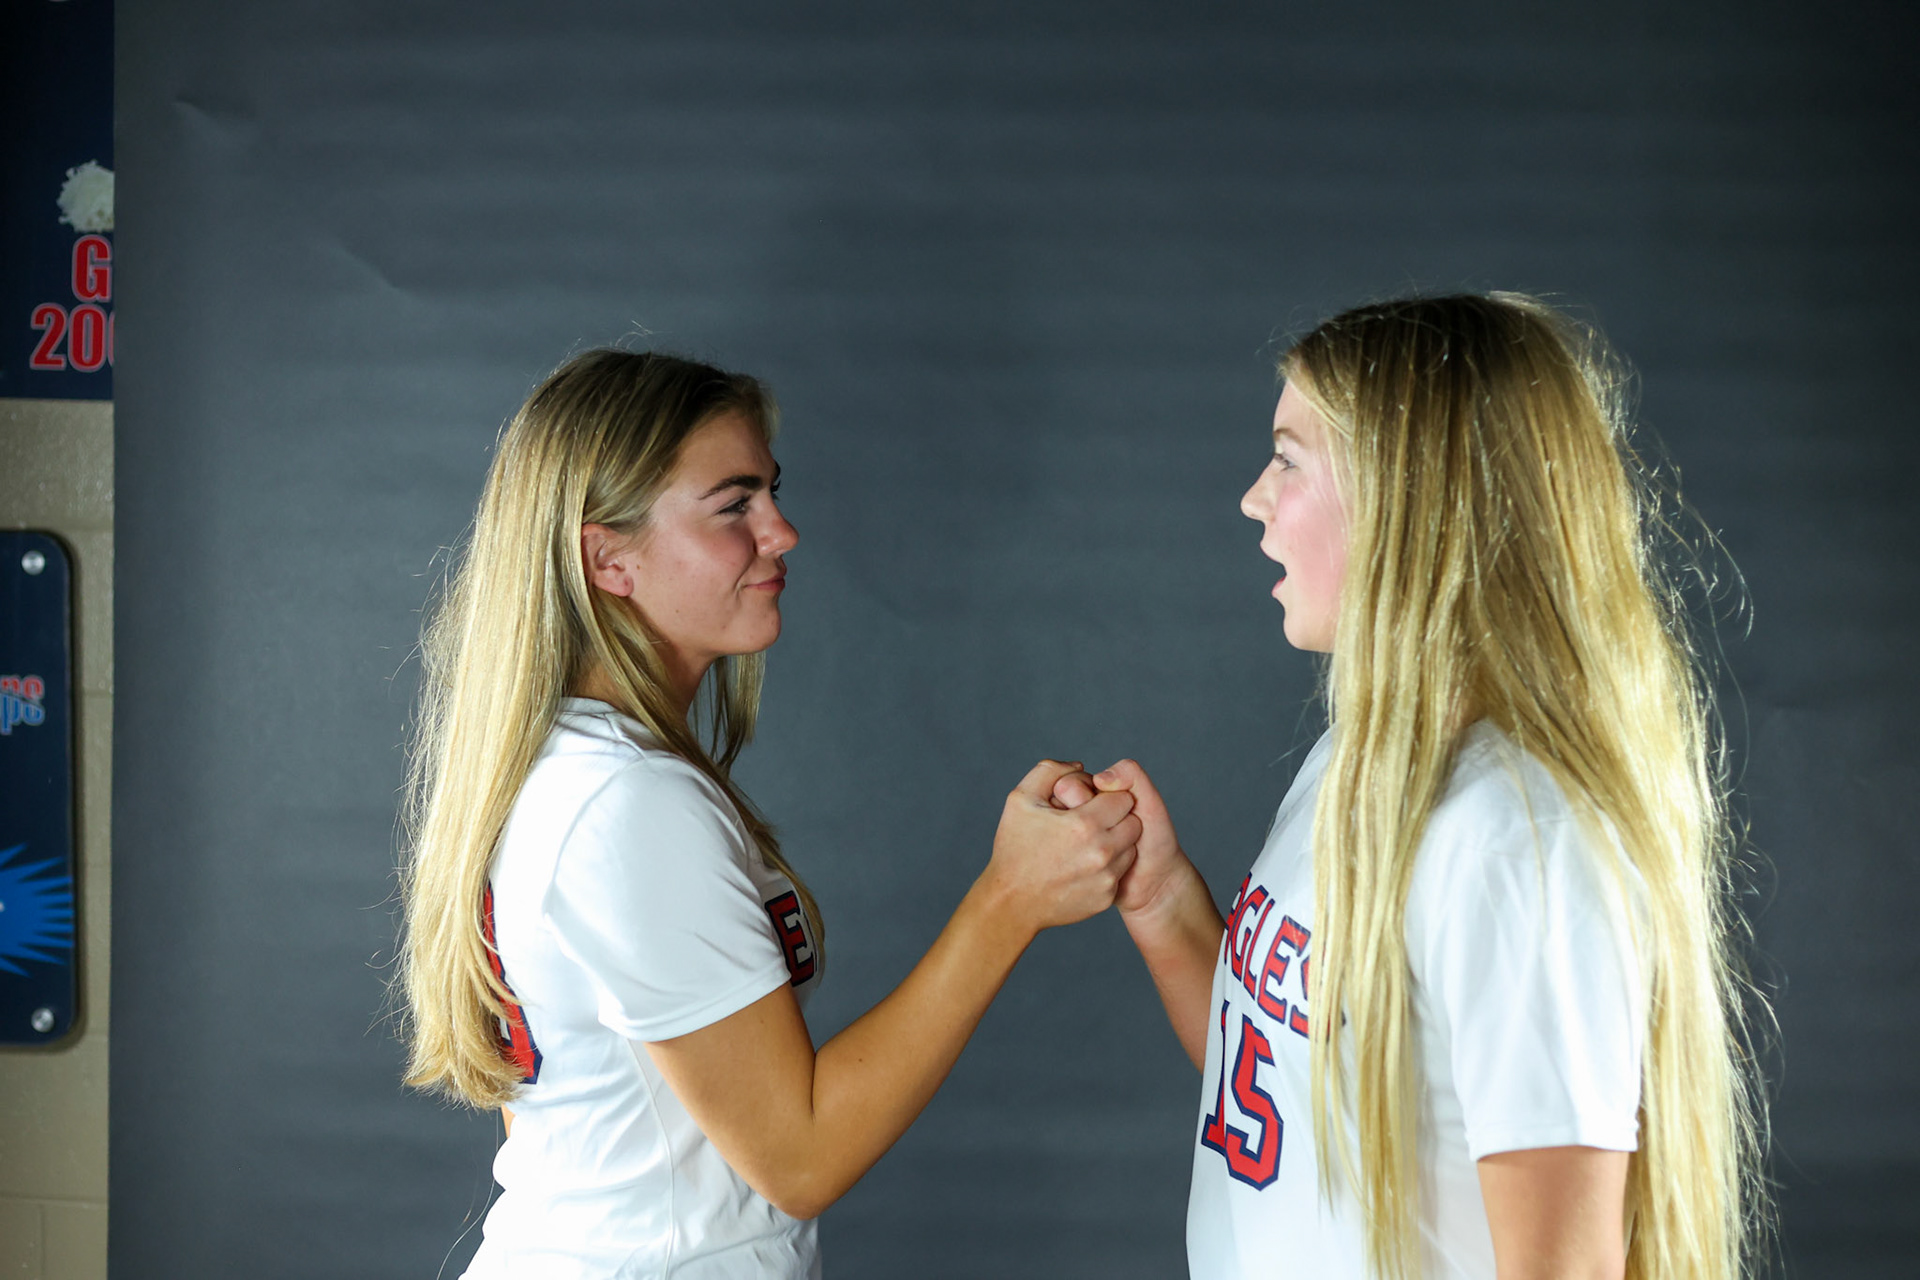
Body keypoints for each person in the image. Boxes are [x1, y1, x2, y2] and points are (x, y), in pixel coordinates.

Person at [1055, 294, 1763, 1280]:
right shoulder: (1359, 761)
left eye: (1289, 461)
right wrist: (1166, 902)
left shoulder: (1513, 840)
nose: (1255, 498)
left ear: (1408, 502)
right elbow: (1292, 1088)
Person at [397, 349, 1141, 1278]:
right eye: (733, 506)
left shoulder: (568, 768)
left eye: (771, 494)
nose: (781, 532)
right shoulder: (625, 803)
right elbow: (801, 1157)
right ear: (608, 559)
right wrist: (1010, 899)